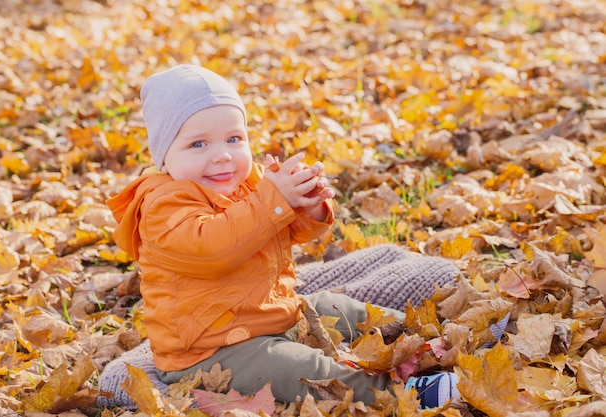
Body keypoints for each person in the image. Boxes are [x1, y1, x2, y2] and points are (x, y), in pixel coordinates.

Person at [106, 64, 460, 409]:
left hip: (276, 316)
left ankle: (435, 341)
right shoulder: (163, 205)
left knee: (344, 310)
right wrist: (273, 200)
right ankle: (406, 393)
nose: (222, 155)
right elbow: (212, 249)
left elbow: (289, 231)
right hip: (211, 351)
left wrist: (308, 204)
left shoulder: (250, 184)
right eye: (198, 145)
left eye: (234, 138)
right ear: (164, 157)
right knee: (305, 371)